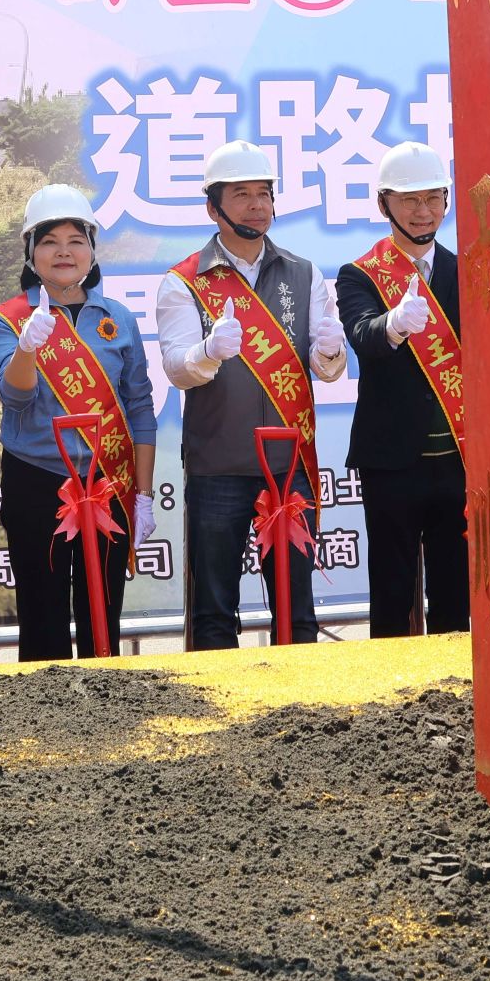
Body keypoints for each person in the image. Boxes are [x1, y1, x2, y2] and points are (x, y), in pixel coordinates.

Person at [156, 141, 346, 649]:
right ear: (213, 207)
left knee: (296, 607)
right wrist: (210, 352)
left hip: (289, 465)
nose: (258, 205)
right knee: (214, 611)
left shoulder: (304, 273)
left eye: (264, 193)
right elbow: (177, 369)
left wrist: (330, 353)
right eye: (242, 195)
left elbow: (327, 371)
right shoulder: (184, 282)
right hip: (217, 466)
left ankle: (304, 716)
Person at [0, 185, 158, 660]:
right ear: (30, 252)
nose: (64, 251)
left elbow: (140, 409)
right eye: (49, 240)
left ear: (91, 251)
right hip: (36, 481)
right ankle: (42, 723)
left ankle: (105, 716)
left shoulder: (118, 318)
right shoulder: (9, 318)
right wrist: (27, 347)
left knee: (103, 610)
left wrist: (141, 496)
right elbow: (14, 397)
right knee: (41, 614)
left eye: (76, 240)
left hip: (107, 480)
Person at [337, 141, 467, 636]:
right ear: (383, 204)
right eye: (409, 200)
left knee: (456, 587)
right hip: (392, 461)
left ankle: (459, 694)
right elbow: (362, 336)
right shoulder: (359, 274)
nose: (422, 211)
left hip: (458, 457)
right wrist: (393, 325)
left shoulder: (469, 268)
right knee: (391, 589)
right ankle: (390, 699)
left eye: (433, 198)